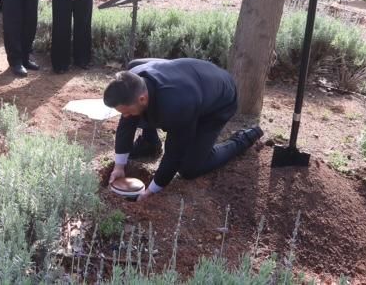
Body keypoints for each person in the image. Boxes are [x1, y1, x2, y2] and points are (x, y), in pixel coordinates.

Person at [104, 58, 264, 202]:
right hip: (189, 79)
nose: (123, 116)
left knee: (189, 167)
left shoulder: (177, 105)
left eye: (125, 110)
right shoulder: (132, 81)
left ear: (142, 98)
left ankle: (243, 139)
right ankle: (150, 142)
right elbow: (126, 126)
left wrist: (152, 190)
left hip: (219, 100)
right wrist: (119, 166)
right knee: (134, 116)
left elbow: (174, 153)